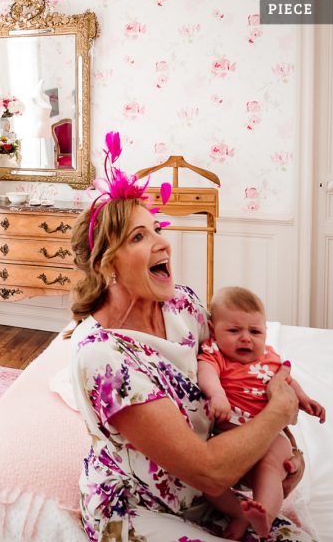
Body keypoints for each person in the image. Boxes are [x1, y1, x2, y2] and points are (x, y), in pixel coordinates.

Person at [67, 132, 311, 541]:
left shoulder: (184, 305)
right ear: (108, 264)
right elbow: (207, 468)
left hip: (211, 497)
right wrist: (277, 414)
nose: (164, 242)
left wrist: (281, 451)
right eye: (139, 237)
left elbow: (237, 369)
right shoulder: (102, 357)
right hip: (138, 506)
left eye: (156, 228)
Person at [197, 286, 326, 539]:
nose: (246, 338)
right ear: (213, 330)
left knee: (271, 470)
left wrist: (305, 400)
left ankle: (263, 517)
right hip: (232, 436)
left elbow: (287, 380)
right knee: (208, 482)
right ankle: (239, 513)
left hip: (271, 438)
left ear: (265, 333)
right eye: (234, 331)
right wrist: (218, 395)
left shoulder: (269, 357)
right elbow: (206, 373)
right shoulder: (216, 354)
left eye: (255, 332)